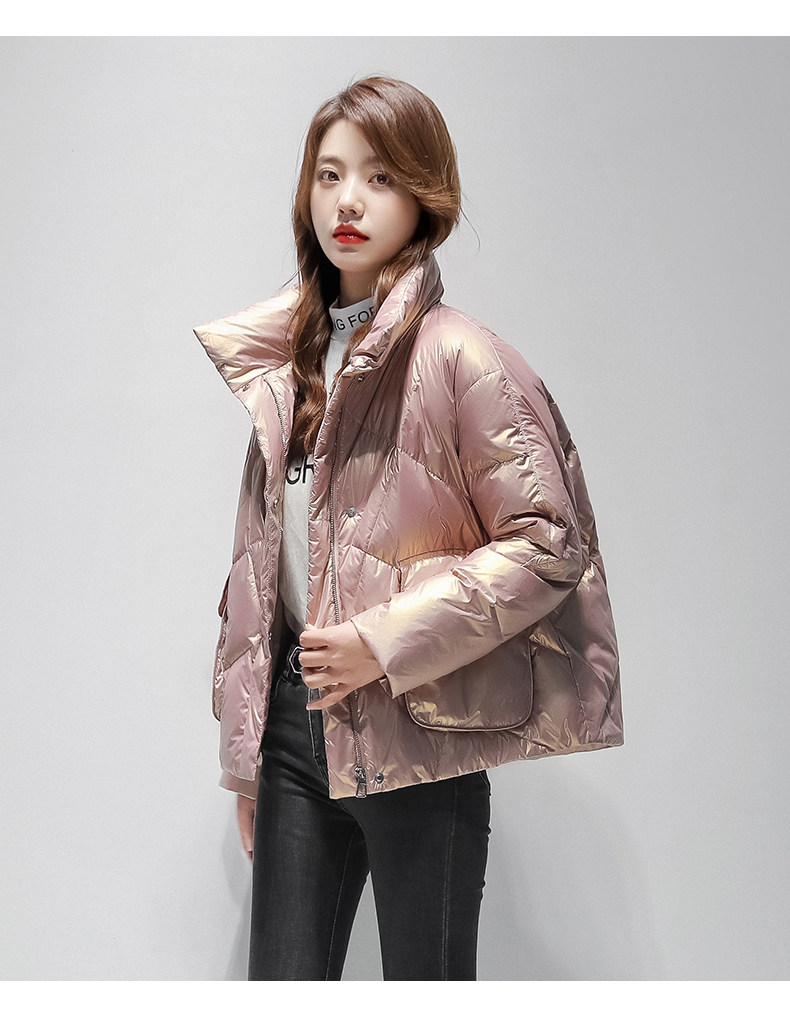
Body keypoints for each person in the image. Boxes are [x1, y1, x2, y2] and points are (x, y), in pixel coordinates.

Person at [194, 76, 622, 982]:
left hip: (422, 739)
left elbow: (550, 541)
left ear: (425, 196)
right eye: (329, 174)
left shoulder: (461, 355)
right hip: (293, 736)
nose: (347, 201)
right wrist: (247, 758)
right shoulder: (286, 369)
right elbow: (259, 569)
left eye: (379, 177)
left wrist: (383, 640)